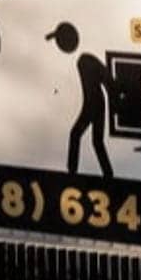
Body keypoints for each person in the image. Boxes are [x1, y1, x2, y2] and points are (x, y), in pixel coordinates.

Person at [48, 22, 112, 177]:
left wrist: (114, 94)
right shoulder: (83, 60)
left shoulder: (84, 60)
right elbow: (106, 78)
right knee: (95, 141)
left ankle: (75, 172)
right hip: (94, 103)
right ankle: (107, 174)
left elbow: (105, 77)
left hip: (94, 104)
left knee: (80, 136)